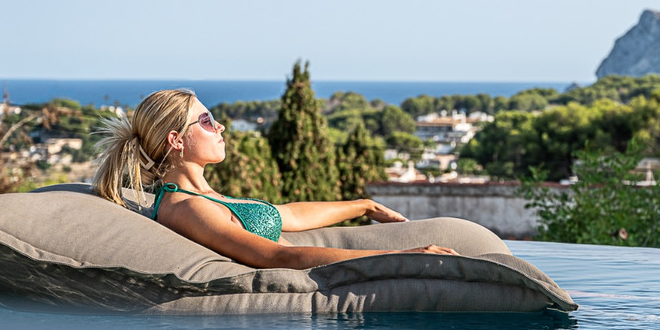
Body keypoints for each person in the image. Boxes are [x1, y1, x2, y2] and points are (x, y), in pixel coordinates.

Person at [92, 88, 457, 268]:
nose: (219, 127)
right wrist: (403, 257)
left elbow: (289, 214)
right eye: (206, 121)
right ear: (176, 140)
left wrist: (363, 206)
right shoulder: (186, 208)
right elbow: (280, 256)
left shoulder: (206, 197)